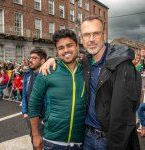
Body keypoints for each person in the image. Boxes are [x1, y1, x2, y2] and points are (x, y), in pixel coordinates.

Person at [40, 16, 142, 150]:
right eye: (87, 35)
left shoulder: (122, 64)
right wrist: (54, 59)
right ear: (81, 38)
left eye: (96, 33)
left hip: (110, 140)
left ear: (104, 35)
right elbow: (69, 59)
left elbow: (127, 111)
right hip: (86, 137)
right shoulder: (86, 63)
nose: (91, 39)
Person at [28, 29, 86, 150]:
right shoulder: (47, 70)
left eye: (70, 45)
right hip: (52, 141)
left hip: (81, 141)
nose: (66, 50)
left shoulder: (87, 71)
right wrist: (35, 135)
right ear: (57, 51)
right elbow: (34, 104)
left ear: (77, 46)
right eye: (61, 48)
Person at [21, 48, 47, 149]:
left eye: (34, 58)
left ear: (42, 60)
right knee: (34, 141)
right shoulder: (27, 74)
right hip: (30, 116)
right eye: (30, 58)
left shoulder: (47, 74)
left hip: (42, 118)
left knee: (42, 144)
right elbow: (24, 94)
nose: (30, 60)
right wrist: (24, 112)